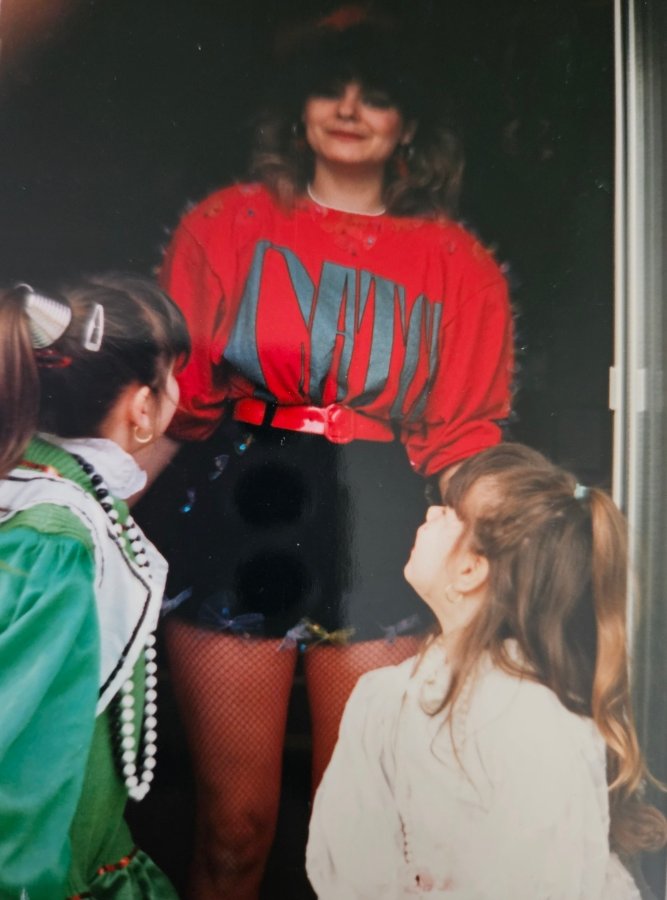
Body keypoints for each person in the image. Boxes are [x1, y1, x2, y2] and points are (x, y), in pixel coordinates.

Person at [136, 8, 513, 898]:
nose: (348, 109)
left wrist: (519, 548)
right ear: (296, 111)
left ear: (407, 126)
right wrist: (89, 501)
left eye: (375, 96)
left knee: (363, 832)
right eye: (327, 90)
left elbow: (463, 436)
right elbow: (177, 398)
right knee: (235, 828)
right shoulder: (228, 223)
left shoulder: (458, 261)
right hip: (237, 512)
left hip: (377, 526)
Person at [306, 442, 667, 899]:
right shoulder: (384, 697)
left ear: (471, 570)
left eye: (449, 511)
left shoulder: (533, 720)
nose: (431, 513)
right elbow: (346, 869)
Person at [0, 275, 190, 899]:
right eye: (173, 375)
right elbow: (18, 773)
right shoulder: (58, 543)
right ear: (143, 409)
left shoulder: (48, 497)